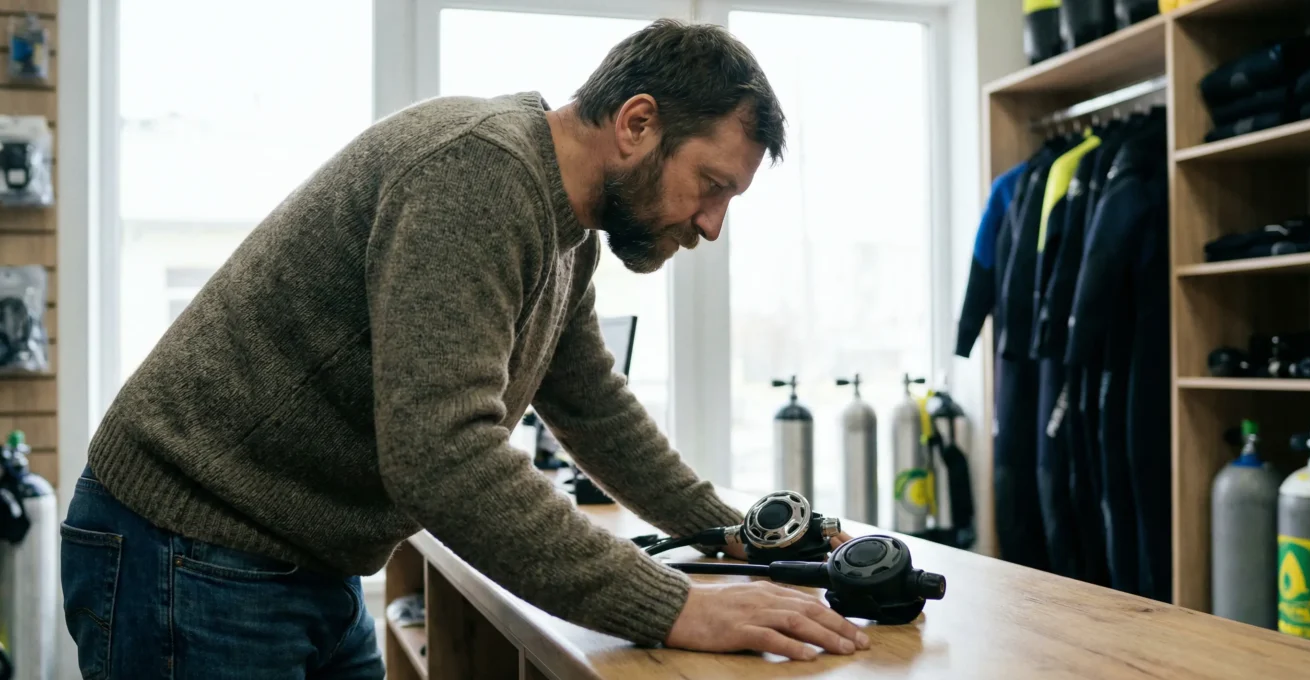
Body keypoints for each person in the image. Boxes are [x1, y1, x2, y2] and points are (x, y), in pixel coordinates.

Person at [59, 18, 869, 678]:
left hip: (291, 560)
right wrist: (673, 604)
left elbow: (593, 408)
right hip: (190, 547)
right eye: (713, 184)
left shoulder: (564, 233)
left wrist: (731, 531)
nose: (712, 223)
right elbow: (441, 455)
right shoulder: (479, 175)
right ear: (637, 123)